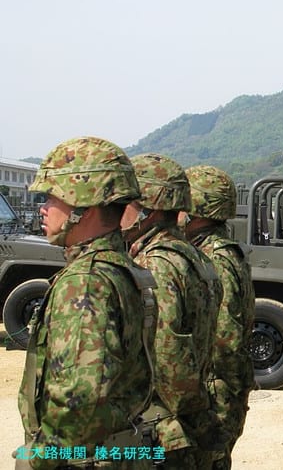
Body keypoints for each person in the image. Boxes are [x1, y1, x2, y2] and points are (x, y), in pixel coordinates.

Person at [16, 136, 155, 469]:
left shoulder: (85, 282)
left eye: (52, 197)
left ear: (83, 206)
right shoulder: (125, 270)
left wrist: (41, 459)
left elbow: (76, 401)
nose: (43, 208)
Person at [122, 153, 221, 470]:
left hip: (163, 430)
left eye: (126, 203)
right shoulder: (194, 257)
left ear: (148, 208)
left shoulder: (155, 265)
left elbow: (167, 358)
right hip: (187, 422)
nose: (117, 211)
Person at [180, 165, 255, 470]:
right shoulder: (220, 251)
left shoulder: (214, 259)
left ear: (196, 209)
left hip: (214, 396)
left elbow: (224, 341)